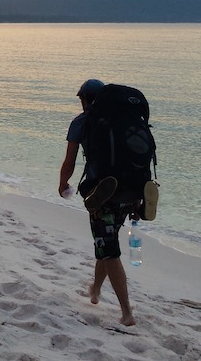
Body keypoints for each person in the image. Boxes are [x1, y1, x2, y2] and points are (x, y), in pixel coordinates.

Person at [58, 78, 137, 326]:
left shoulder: (82, 122)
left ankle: (127, 313)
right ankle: (95, 289)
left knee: (110, 250)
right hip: (130, 192)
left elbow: (70, 161)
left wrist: (63, 184)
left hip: (101, 194)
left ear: (84, 99)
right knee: (107, 241)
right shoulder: (125, 120)